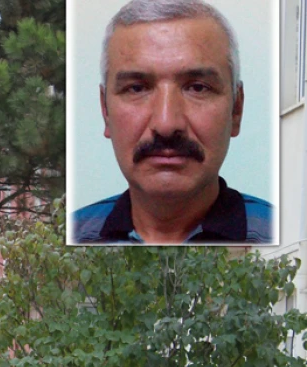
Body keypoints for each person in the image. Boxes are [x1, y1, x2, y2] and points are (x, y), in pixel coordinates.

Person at [70, 0, 273, 245]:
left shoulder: (279, 230)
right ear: (105, 111)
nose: (166, 124)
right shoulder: (70, 235)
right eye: (137, 88)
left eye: (197, 88)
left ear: (236, 110)